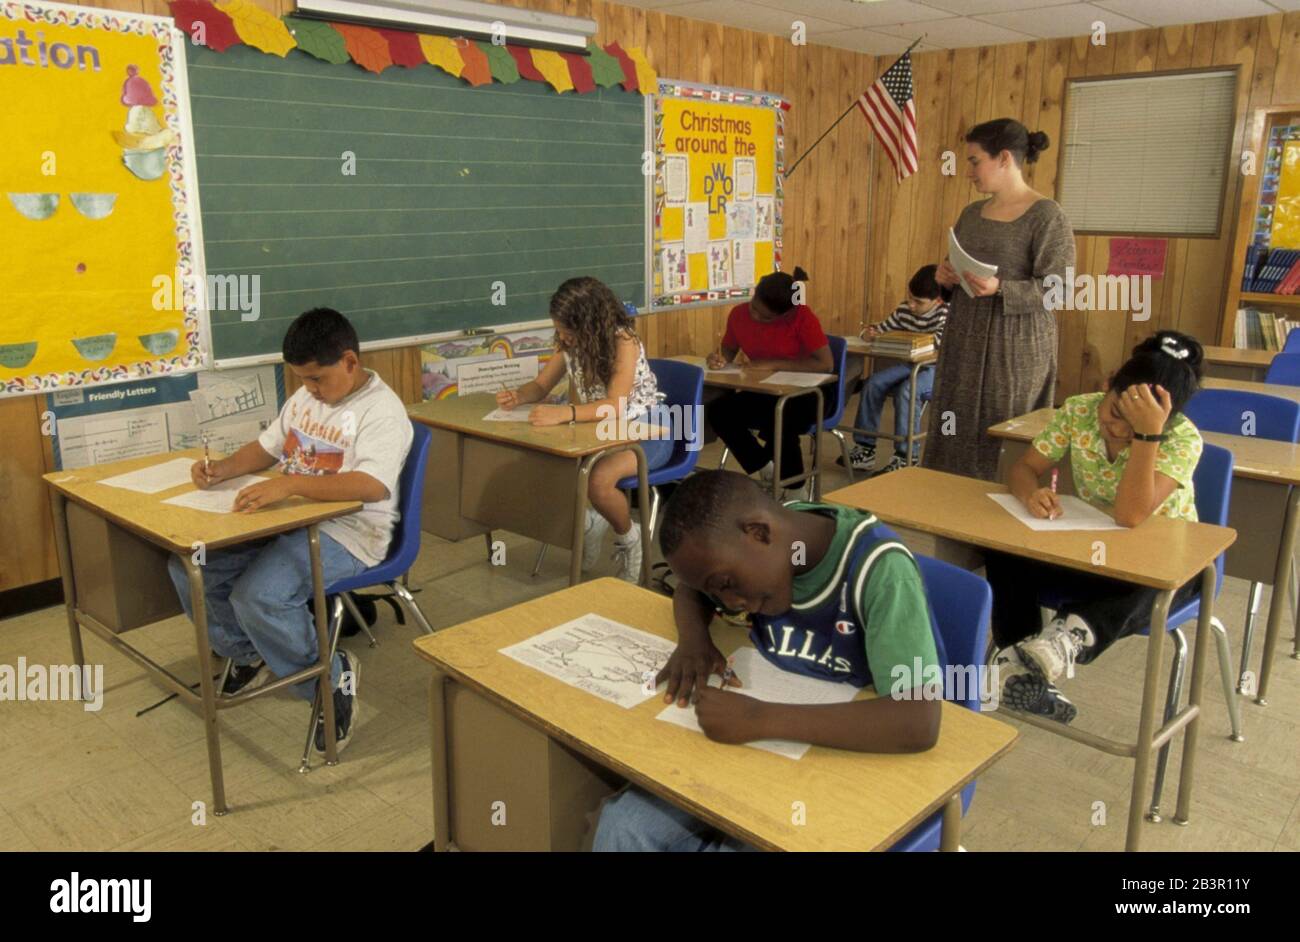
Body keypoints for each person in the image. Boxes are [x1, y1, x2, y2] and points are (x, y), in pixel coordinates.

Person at [592, 470, 941, 851]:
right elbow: (689, 592)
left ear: (759, 533)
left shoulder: (881, 572)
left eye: (725, 585)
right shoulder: (762, 545)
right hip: (759, 749)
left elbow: (918, 720)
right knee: (623, 825)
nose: (729, 603)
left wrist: (759, 719)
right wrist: (693, 641)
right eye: (717, 591)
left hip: (843, 757)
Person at [167, 307, 413, 753]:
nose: (309, 390)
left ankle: (329, 677)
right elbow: (266, 449)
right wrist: (220, 469)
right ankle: (250, 653)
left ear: (350, 362)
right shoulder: (306, 399)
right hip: (290, 518)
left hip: (350, 531)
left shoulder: (382, 411)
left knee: (258, 595)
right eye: (302, 380)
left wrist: (292, 483)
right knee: (191, 567)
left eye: (317, 379)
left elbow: (372, 486)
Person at [986, 331, 1205, 723]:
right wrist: (1031, 494)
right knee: (1005, 549)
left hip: (1162, 568)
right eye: (1115, 414)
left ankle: (1067, 638)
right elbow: (1024, 468)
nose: (1117, 431)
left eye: (1133, 427)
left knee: (1153, 582)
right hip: (1093, 554)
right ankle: (1021, 661)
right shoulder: (1079, 410)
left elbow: (1130, 516)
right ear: (1107, 384)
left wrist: (1147, 436)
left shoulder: (1182, 439)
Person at [926, 118, 1076, 481]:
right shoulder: (970, 214)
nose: (969, 172)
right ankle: (946, 507)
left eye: (975, 161)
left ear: (1004, 158)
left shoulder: (1047, 216)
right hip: (965, 338)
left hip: (1015, 348)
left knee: (1003, 429)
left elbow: (1059, 289)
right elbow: (957, 269)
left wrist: (1002, 288)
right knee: (955, 425)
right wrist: (944, 278)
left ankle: (1002, 519)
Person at [497, 276, 673, 582]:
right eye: (559, 330)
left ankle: (630, 540)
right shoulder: (571, 344)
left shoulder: (623, 341)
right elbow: (540, 386)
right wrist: (519, 396)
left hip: (648, 429)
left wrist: (567, 412)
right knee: (550, 465)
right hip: (602, 430)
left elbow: (616, 405)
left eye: (567, 331)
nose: (563, 338)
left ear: (589, 324)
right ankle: (594, 521)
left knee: (598, 480)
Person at [704, 267, 831, 488]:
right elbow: (727, 352)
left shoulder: (803, 317)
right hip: (764, 391)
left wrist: (774, 364)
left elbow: (826, 364)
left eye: (766, 317)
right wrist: (717, 359)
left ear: (786, 313)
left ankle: (794, 490)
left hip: (807, 394)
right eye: (754, 307)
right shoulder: (738, 314)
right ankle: (764, 467)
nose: (755, 316)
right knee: (719, 411)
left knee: (781, 421)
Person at [844, 264, 949, 473]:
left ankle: (906, 455)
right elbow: (880, 328)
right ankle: (865, 448)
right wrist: (870, 334)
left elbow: (937, 346)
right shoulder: (903, 310)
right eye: (909, 298)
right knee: (873, 383)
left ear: (937, 301)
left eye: (918, 302)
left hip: (935, 370)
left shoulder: (945, 314)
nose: (910, 305)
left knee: (907, 390)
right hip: (908, 364)